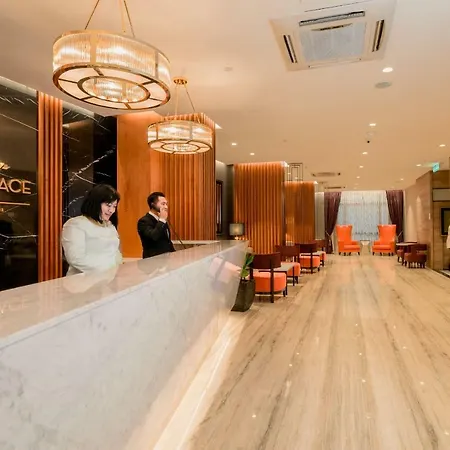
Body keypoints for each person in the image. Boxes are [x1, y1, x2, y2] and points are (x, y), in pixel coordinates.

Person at [61, 184, 122, 275]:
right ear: (95, 203)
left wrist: (117, 269)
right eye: (108, 205)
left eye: (114, 206)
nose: (111, 210)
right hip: (82, 281)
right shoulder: (75, 224)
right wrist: (108, 269)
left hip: (109, 280)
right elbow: (76, 258)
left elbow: (116, 253)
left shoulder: (110, 226)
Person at [137, 192, 175, 258]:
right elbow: (154, 236)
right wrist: (162, 220)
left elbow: (167, 242)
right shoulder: (144, 221)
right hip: (153, 260)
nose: (166, 207)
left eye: (166, 204)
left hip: (167, 259)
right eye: (163, 204)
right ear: (152, 204)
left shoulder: (162, 220)